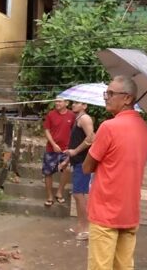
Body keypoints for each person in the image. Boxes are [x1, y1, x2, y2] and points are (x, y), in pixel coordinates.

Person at [83, 75, 147, 270]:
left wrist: (91, 143)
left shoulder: (108, 127)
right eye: (107, 92)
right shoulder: (145, 129)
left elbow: (87, 167)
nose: (106, 97)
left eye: (111, 93)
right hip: (129, 212)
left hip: (106, 212)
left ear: (128, 99)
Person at [63, 100, 94, 240]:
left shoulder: (85, 118)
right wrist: (66, 161)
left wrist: (75, 151)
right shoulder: (78, 119)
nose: (73, 105)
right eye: (73, 103)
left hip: (83, 162)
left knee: (79, 194)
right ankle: (80, 225)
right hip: (77, 162)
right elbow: (76, 141)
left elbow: (91, 138)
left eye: (77, 103)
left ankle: (86, 229)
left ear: (85, 106)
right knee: (77, 195)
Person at [42, 97, 75, 206]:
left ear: (66, 103)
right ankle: (49, 196)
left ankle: (59, 192)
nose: (57, 103)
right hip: (51, 148)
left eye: (60, 101)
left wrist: (72, 147)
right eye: (56, 101)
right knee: (48, 172)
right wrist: (53, 144)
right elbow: (46, 130)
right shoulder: (51, 114)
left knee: (67, 169)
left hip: (66, 149)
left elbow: (74, 131)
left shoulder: (72, 115)